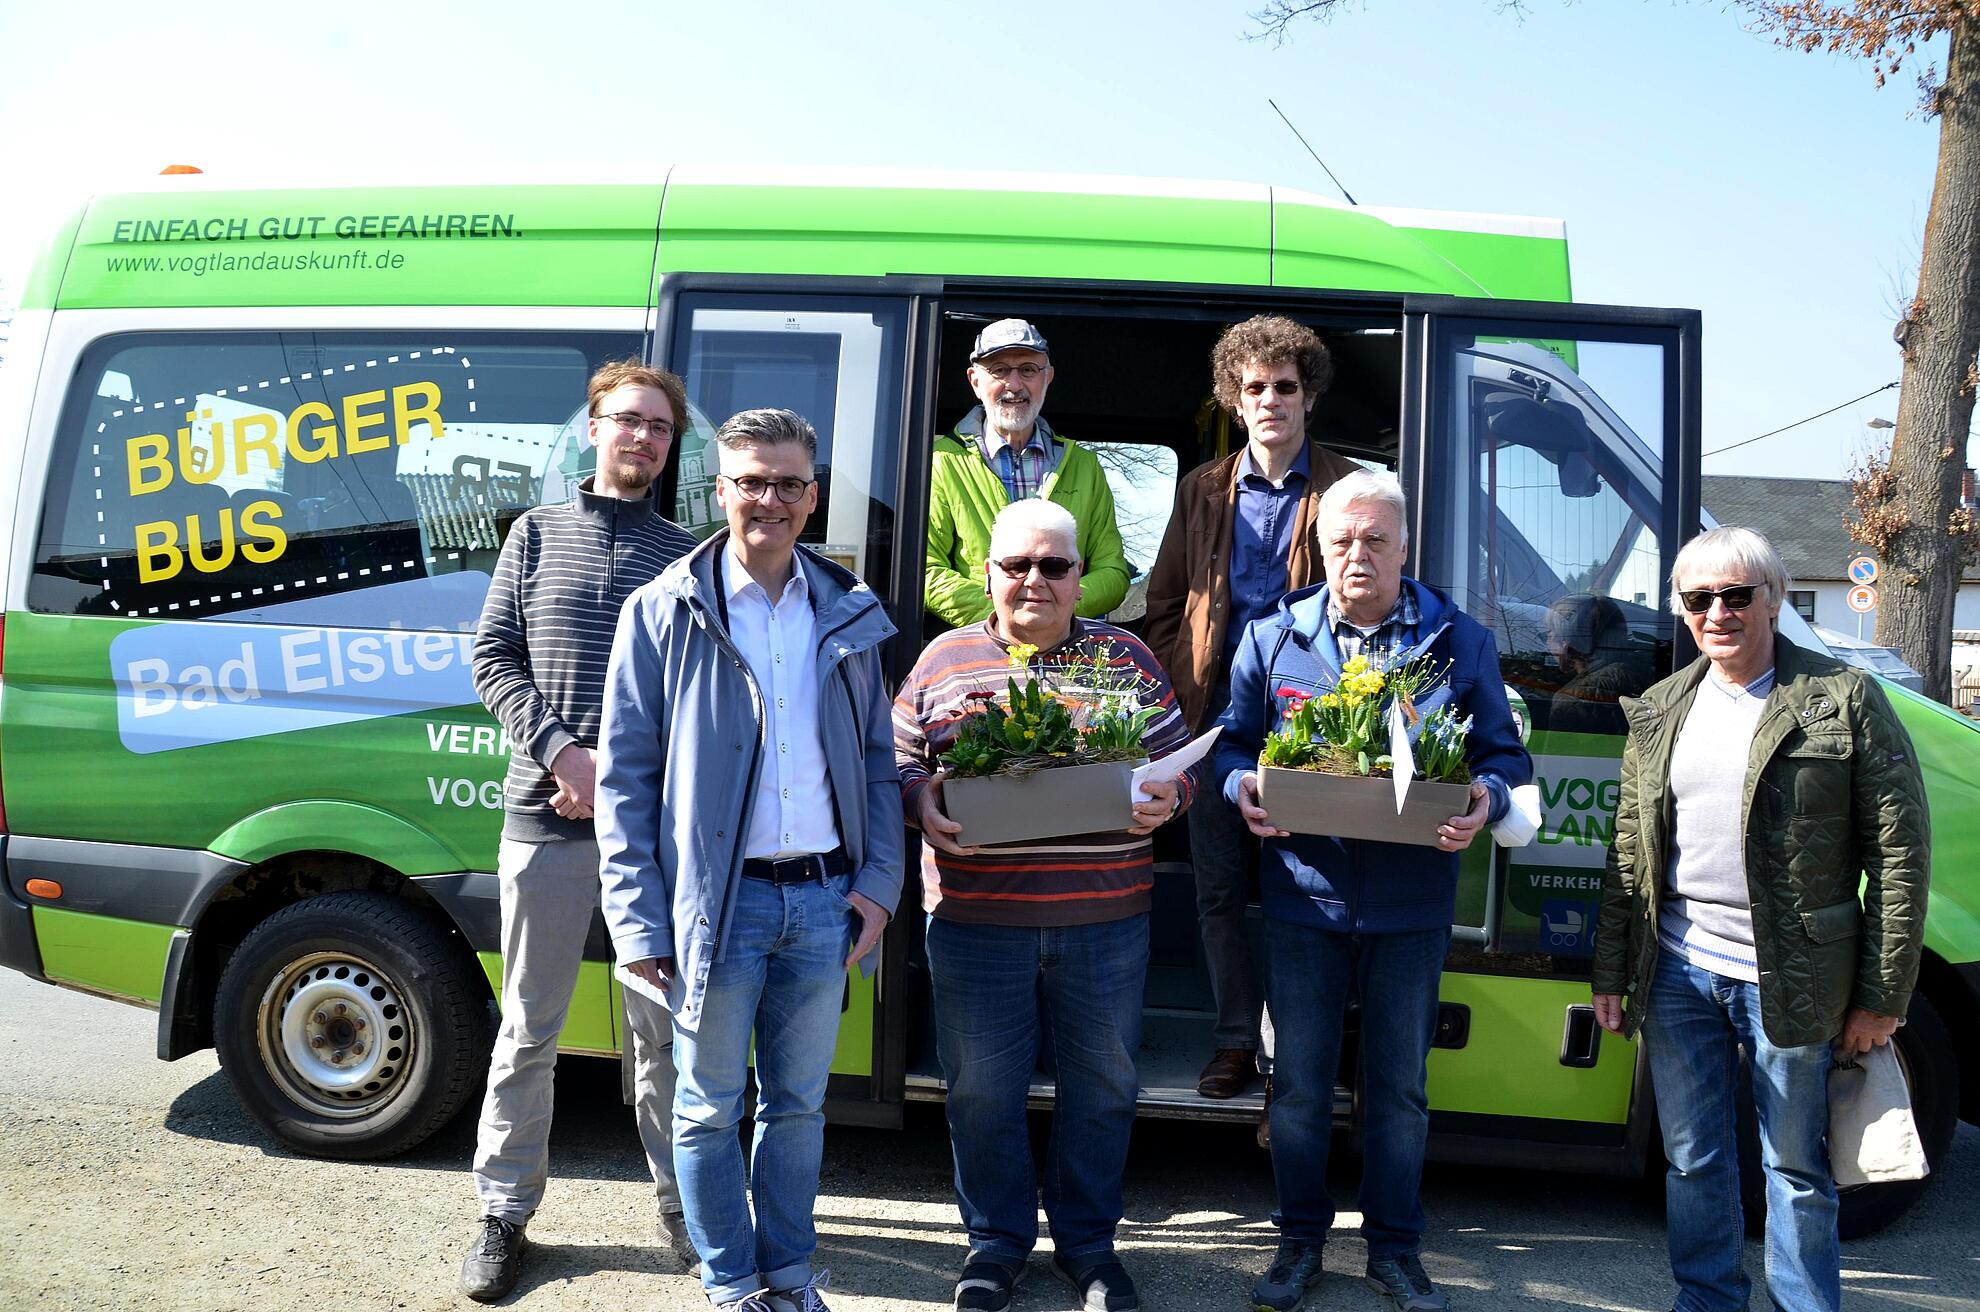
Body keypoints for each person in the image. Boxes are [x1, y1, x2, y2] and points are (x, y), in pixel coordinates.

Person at [595, 407, 904, 1312]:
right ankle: (731, 1284)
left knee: (800, 1108)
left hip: (821, 902)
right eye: (750, 482)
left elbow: (878, 765)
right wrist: (639, 921)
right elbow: (623, 784)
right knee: (704, 1107)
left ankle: (791, 1275)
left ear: (812, 498)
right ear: (719, 490)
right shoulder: (662, 612)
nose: (768, 499)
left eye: (788, 484)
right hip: (713, 908)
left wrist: (878, 888)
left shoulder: (847, 609)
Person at [1214, 469, 1530, 1312]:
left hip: (1411, 904)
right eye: (1342, 541)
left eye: (1375, 540)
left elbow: (1504, 757)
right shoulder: (1273, 637)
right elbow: (1231, 746)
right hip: (1301, 898)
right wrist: (1240, 786)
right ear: (1320, 549)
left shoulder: (1459, 641)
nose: (1358, 554)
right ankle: (1298, 1244)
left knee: (1399, 1093)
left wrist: (1484, 800)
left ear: (1403, 547)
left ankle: (1394, 1249)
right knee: (1302, 1088)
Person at [1591, 526, 1929, 1312]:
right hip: (1678, 971)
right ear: (1680, 609)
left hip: (1793, 975)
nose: (1719, 611)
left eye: (1737, 594)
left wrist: (1883, 995)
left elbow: (1902, 853)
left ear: (1773, 600)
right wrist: (1613, 970)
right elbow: (1631, 853)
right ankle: (1708, 1299)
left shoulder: (1844, 699)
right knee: (1692, 1160)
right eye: (1700, 598)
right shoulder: (1661, 708)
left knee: (1796, 1167)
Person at [895, 498, 1195, 1312]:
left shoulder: (1125, 659)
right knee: (981, 1091)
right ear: (988, 574)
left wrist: (1168, 801)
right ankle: (994, 1248)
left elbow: (1180, 762)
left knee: (1102, 1088)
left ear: (1079, 579)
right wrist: (922, 801)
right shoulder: (943, 660)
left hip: (1105, 920)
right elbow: (896, 763)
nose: (1034, 581)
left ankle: (1090, 1248)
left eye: (1054, 566)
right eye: (1016, 566)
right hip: (973, 920)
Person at [459, 359, 701, 1302]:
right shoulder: (535, 533)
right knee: (529, 1029)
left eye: (659, 427)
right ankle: (503, 1214)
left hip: (648, 836)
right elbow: (492, 655)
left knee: (662, 1035)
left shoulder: (687, 553)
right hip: (543, 820)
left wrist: (613, 780)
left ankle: (683, 1204)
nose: (641, 437)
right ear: (592, 428)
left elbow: (689, 700)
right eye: (627, 420)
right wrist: (566, 757)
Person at [1143, 314, 1361, 1101]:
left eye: (1285, 386)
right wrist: (1186, 692)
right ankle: (1235, 1041)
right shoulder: (1201, 488)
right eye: (1254, 387)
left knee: (1305, 890)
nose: (1270, 399)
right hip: (1218, 723)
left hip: (1315, 727)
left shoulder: (1346, 488)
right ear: (1234, 399)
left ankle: (1293, 1061)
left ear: (1310, 397)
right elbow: (1167, 602)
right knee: (1219, 891)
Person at [924, 318, 1131, 627]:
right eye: (999, 370)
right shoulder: (942, 462)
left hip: (1067, 654)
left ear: (1047, 378)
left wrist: (1053, 614)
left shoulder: (1085, 467)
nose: (1015, 385)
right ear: (975, 381)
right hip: (980, 644)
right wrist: (1007, 619)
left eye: (1028, 370)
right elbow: (926, 570)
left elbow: (1113, 572)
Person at [1540, 592, 1652, 736]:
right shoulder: (1646, 674)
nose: (1547, 643)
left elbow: (1556, 756)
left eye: (1550, 633)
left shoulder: (1570, 700)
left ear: (1566, 641)